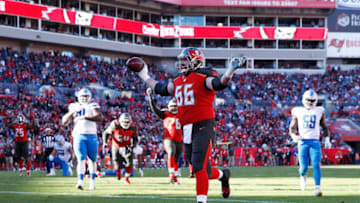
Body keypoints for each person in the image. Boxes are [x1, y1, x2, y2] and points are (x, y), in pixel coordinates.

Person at [132, 47, 246, 202]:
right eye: (181, 60)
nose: (181, 63)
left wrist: (230, 71)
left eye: (185, 59)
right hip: (186, 127)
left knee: (198, 167)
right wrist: (143, 75)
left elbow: (219, 84)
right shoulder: (178, 81)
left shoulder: (204, 75)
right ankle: (223, 175)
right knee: (203, 169)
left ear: (195, 61)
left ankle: (201, 200)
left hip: (203, 124)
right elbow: (160, 89)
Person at [289, 89, 330, 197]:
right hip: (303, 142)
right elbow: (292, 128)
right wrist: (293, 136)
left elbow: (325, 127)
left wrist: (327, 139)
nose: (310, 102)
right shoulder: (298, 111)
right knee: (303, 169)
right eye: (308, 100)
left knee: (316, 164)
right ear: (304, 99)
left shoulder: (319, 111)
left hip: (315, 141)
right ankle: (302, 176)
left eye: (312, 100)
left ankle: (317, 188)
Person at [62, 88, 102, 190]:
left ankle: (92, 182)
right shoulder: (74, 106)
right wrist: (72, 112)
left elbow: (98, 117)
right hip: (79, 135)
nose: (84, 98)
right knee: (81, 159)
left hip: (91, 135)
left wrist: (85, 117)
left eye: (86, 96)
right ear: (78, 97)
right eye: (82, 96)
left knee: (92, 159)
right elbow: (64, 121)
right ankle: (80, 181)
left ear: (89, 97)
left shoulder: (92, 105)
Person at [147, 90, 183, 184]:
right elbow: (155, 110)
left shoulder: (182, 114)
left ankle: (173, 177)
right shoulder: (165, 113)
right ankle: (171, 174)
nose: (174, 108)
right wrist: (151, 99)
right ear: (168, 107)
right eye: (172, 106)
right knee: (171, 153)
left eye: (175, 106)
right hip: (169, 138)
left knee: (175, 159)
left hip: (180, 139)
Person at [102, 113, 138, 184]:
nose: (126, 123)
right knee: (117, 164)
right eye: (124, 122)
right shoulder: (115, 125)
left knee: (129, 164)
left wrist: (133, 146)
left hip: (127, 146)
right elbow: (106, 133)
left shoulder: (133, 127)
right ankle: (118, 173)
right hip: (116, 146)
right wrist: (105, 142)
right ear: (120, 121)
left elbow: (135, 139)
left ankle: (126, 178)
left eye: (127, 122)